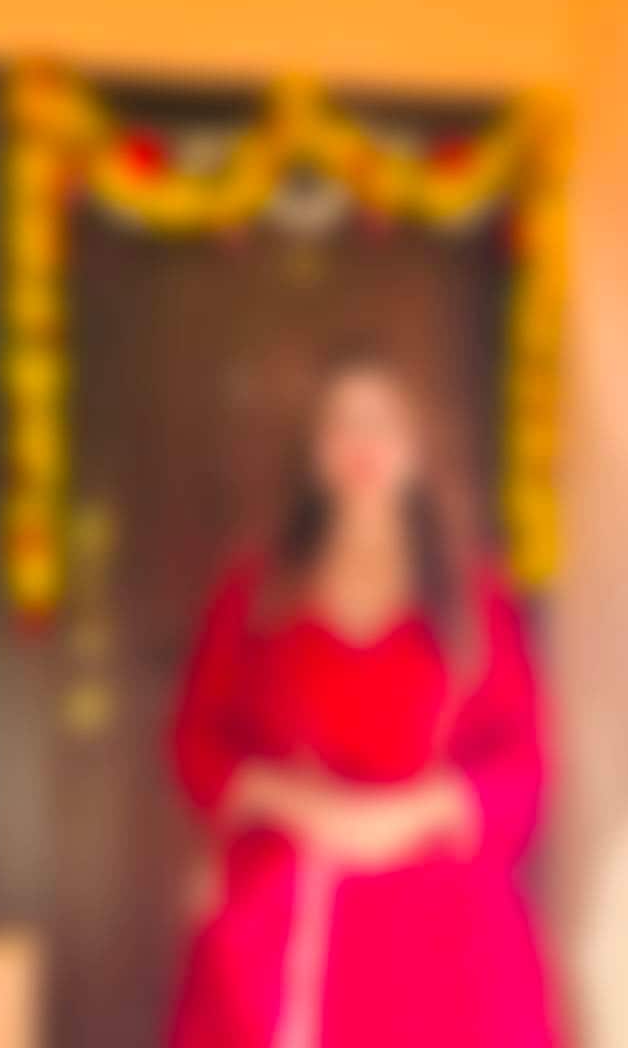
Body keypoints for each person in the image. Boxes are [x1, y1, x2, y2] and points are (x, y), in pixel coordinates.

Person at [168, 339, 560, 1046]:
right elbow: (198, 743)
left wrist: (405, 815)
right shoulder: (253, 594)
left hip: (445, 938)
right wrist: (297, 803)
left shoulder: (476, 601)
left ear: (418, 446)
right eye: (342, 423)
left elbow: (522, 768)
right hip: (284, 922)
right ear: (313, 450)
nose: (362, 444)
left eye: (383, 423)